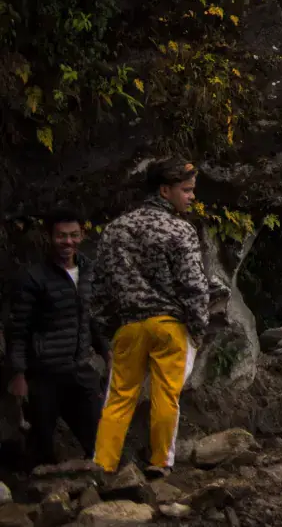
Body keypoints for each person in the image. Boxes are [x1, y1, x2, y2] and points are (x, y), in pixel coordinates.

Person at [89, 158, 216, 479]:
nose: (192, 197)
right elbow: (194, 285)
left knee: (118, 398)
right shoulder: (179, 229)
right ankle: (160, 463)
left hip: (128, 326)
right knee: (165, 396)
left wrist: (106, 328)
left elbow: (99, 287)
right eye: (186, 190)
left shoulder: (116, 229)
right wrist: (199, 329)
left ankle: (102, 464)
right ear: (164, 190)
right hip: (170, 326)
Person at [7, 213, 104, 466]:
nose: (67, 241)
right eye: (61, 235)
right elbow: (18, 329)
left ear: (82, 235)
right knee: (41, 449)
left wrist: (106, 351)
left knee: (101, 441)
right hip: (44, 375)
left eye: (73, 235)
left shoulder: (88, 270)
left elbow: (88, 316)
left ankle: (103, 492)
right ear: (49, 237)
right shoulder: (33, 278)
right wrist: (18, 374)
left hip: (80, 370)